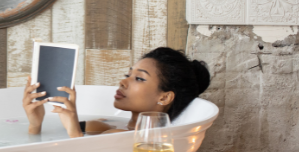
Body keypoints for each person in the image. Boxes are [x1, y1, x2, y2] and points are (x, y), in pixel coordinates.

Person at [22, 47, 211, 138]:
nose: (123, 81)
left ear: (164, 97)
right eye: (127, 74)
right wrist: (35, 124)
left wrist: (74, 131)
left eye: (139, 78)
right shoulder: (108, 127)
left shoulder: (147, 143)